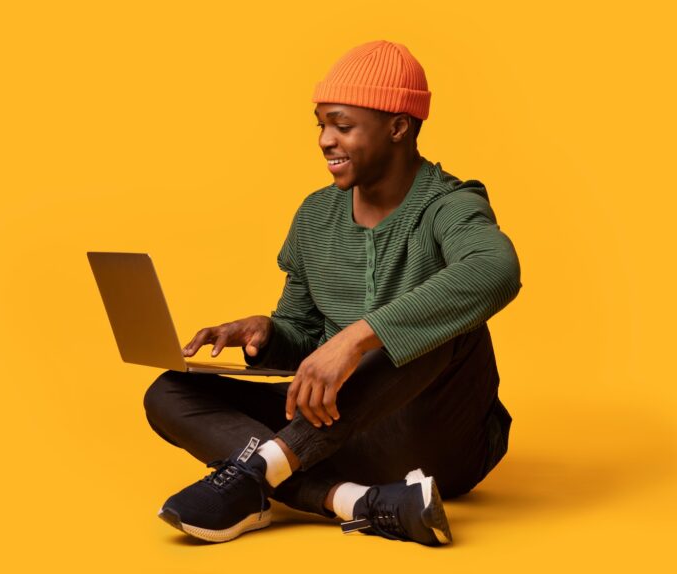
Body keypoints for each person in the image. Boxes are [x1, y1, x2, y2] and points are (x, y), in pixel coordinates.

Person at [143, 40, 521, 546]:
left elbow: (496, 268)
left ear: (398, 127)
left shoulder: (448, 204)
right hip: (332, 434)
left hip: (438, 441)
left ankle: (258, 473)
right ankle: (359, 502)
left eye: (342, 126)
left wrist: (360, 337)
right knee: (168, 392)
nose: (325, 140)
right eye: (320, 124)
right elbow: (304, 340)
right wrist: (269, 335)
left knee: (441, 329)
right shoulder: (315, 216)